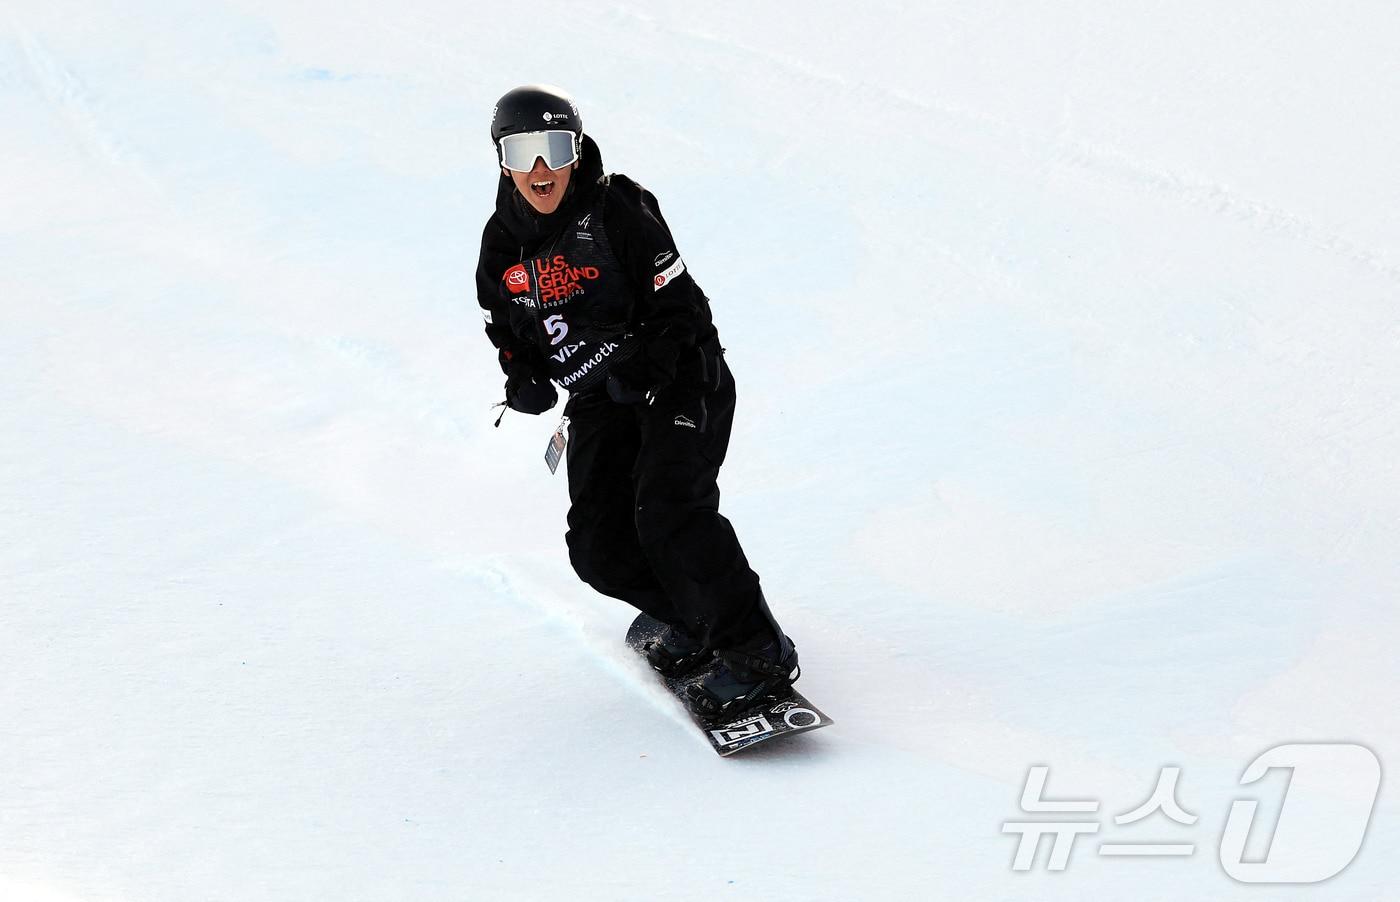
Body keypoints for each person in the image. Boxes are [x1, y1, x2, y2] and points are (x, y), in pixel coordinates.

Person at [475, 85, 799, 719]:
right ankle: (692, 619)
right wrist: (523, 376)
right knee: (597, 547)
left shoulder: (618, 209)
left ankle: (755, 650)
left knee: (669, 507)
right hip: (602, 397)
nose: (542, 171)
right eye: (524, 153)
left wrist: (648, 365)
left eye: (555, 149)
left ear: (575, 150)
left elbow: (684, 310)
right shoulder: (500, 244)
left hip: (680, 378)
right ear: (503, 160)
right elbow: (504, 322)